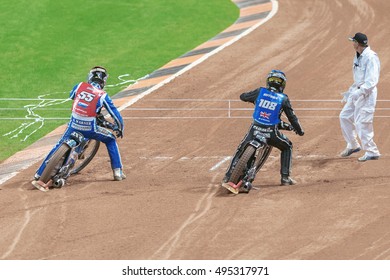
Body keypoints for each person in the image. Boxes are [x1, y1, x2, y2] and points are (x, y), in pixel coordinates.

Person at [32, 66, 126, 191]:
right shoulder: (103, 95)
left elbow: (72, 96)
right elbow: (115, 113)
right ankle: (117, 172)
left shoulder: (79, 86)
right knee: (111, 139)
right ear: (103, 81)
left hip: (73, 125)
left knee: (59, 144)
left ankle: (39, 173)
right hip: (90, 128)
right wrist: (120, 127)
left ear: (90, 77)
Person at [222, 70, 304, 192]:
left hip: (254, 129)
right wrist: (299, 131)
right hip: (271, 133)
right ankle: (285, 178)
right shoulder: (283, 99)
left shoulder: (260, 92)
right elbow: (292, 118)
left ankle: (228, 176)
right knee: (287, 146)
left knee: (240, 149)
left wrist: (252, 99)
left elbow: (243, 96)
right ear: (282, 85)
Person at [339, 32, 381, 161]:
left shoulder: (371, 57)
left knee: (362, 122)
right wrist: (351, 91)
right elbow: (359, 78)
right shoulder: (358, 55)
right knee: (344, 116)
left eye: (353, 41)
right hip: (357, 92)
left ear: (357, 43)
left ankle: (372, 151)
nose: (352, 43)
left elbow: (371, 81)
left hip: (366, 94)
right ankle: (353, 144)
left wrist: (359, 92)